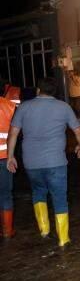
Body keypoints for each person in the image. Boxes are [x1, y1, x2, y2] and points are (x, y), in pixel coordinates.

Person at [6, 77, 80, 248]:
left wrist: (10, 156)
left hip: (31, 162)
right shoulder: (63, 107)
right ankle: (63, 238)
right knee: (59, 197)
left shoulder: (25, 107)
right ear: (55, 92)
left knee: (38, 192)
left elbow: (13, 133)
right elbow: (77, 129)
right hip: (56, 162)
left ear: (38, 90)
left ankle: (44, 230)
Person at [0, 95, 16, 239]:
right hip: (4, 157)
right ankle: (7, 230)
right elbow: (15, 133)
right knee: (5, 194)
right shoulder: (9, 106)